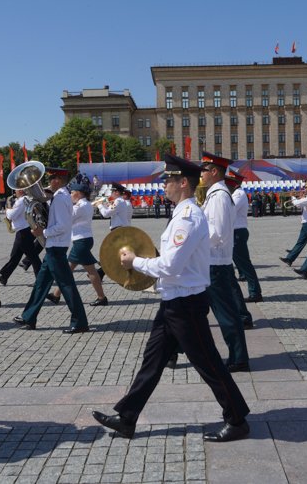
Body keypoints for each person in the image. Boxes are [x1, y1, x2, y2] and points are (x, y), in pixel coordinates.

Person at [91, 154, 251, 443]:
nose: (164, 184)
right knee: (152, 361)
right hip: (174, 301)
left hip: (186, 303)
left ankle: (237, 419)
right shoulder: (181, 213)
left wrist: (134, 262)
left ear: (183, 183)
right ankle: (127, 417)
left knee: (209, 364)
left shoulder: (188, 217)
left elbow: (170, 266)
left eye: (169, 179)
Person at [14, 167, 89, 332]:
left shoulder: (61, 198)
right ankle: (29, 317)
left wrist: (43, 232)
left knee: (66, 285)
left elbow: (62, 225)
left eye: (51, 178)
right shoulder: (58, 196)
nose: (48, 182)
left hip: (56, 247)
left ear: (59, 180)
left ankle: (80, 322)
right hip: (52, 246)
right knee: (41, 284)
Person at [199, 152, 250, 372]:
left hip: (215, 263)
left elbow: (216, 232)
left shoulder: (219, 196)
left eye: (203, 169)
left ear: (214, 172)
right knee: (189, 310)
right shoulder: (215, 194)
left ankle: (239, 357)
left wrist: (193, 243)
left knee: (226, 313)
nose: (200, 173)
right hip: (209, 261)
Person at [46, 182, 108, 307]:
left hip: (81, 240)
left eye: (72, 192)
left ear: (78, 194)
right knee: (69, 269)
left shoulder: (80, 206)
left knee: (90, 271)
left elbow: (67, 219)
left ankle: (102, 298)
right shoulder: (85, 204)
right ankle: (56, 295)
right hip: (83, 239)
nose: (70, 195)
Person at [226, 169, 262, 307]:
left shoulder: (239, 194)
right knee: (239, 264)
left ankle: (255, 293)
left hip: (238, 232)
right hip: (234, 232)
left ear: (234, 183)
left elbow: (229, 210)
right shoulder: (235, 193)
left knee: (244, 265)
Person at [0, 188, 43, 286]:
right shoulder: (24, 199)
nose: (14, 192)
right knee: (15, 256)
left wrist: (8, 208)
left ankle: (41, 280)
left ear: (20, 191)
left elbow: (11, 215)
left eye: (15, 190)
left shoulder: (21, 201)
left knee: (33, 257)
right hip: (23, 230)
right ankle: (4, 276)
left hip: (23, 232)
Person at [279, 186, 307, 267]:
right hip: (305, 221)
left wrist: (293, 196)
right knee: (301, 242)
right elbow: (299, 206)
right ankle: (289, 259)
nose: (304, 189)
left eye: (305, 188)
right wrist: (300, 197)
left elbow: (297, 203)